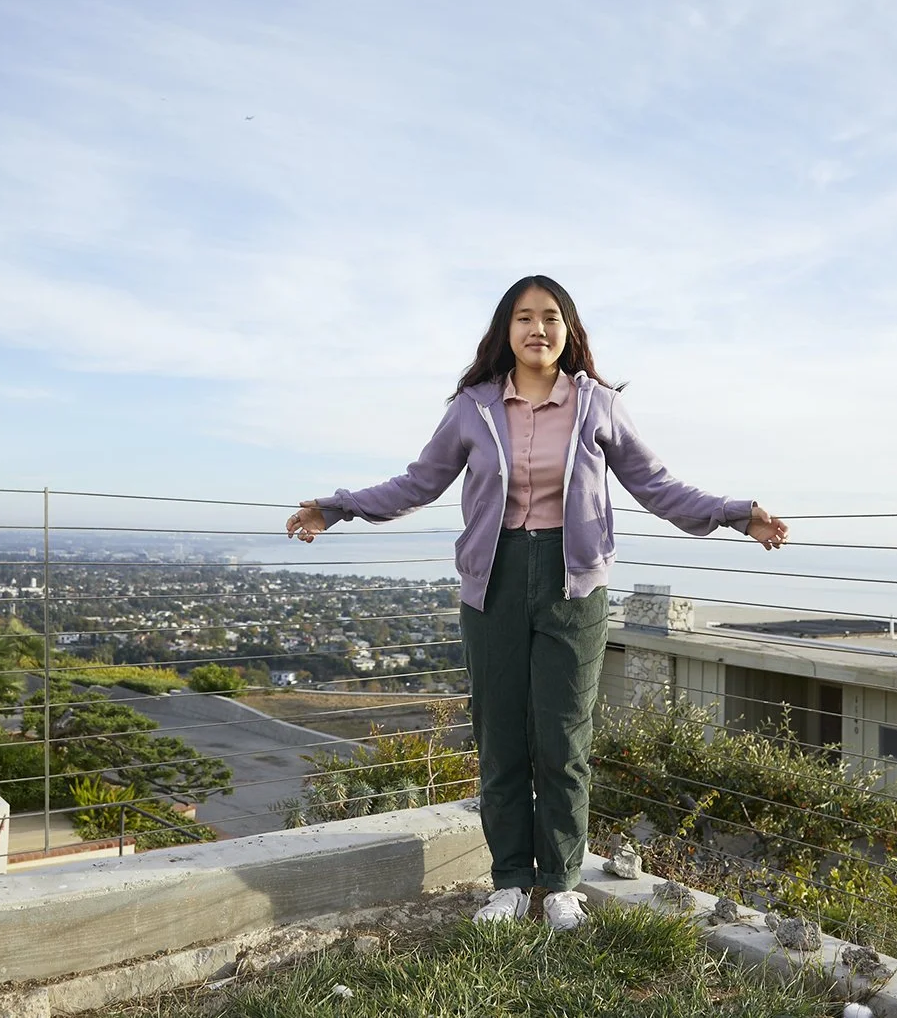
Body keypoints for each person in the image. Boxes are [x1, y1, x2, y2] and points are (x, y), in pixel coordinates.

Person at [286, 275, 788, 930]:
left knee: (562, 739)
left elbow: (656, 485)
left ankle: (560, 884)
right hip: (492, 584)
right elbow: (419, 482)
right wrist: (337, 507)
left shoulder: (597, 405)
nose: (538, 329)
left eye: (550, 317)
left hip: (572, 584)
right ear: (507, 331)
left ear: (568, 330)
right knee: (500, 738)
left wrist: (733, 513)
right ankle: (509, 882)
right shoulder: (474, 407)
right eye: (524, 317)